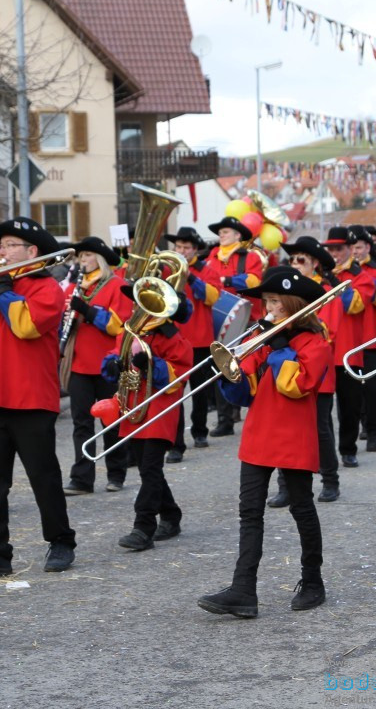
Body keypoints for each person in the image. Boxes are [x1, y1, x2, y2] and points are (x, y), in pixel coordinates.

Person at [197, 266, 333, 618]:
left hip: (293, 435)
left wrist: (280, 348)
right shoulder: (264, 336)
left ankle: (313, 580)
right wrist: (231, 373)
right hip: (259, 433)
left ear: (294, 304)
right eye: (267, 302)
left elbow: (297, 385)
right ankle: (243, 590)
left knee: (302, 509)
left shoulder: (315, 344)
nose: (269, 308)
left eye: (276, 302)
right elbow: (246, 389)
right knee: (249, 513)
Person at [0, 217, 76, 578]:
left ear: (31, 251)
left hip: (31, 397)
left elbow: (26, 327)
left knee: (43, 476)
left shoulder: (45, 288)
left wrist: (4, 291)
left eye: (8, 246)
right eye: (1, 246)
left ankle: (61, 540)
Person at [99, 284, 193, 551]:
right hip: (133, 408)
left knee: (150, 468)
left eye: (144, 305)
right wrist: (112, 364)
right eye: (137, 304)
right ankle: (171, 515)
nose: (136, 309)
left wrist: (152, 364)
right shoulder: (129, 332)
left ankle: (143, 527)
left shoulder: (172, 337)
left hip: (159, 410)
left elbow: (179, 376)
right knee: (147, 469)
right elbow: (113, 356)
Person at [269, 235, 342, 505]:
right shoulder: (285, 295)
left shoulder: (326, 293)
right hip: (285, 367)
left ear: (315, 265)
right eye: (292, 260)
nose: (295, 264)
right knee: (283, 428)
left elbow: (327, 332)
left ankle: (330, 480)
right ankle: (285, 486)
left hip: (315, 371)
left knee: (320, 429)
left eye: (301, 260)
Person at [63, 236, 133, 495]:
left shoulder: (117, 285)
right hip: (79, 363)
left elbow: (118, 325)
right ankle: (82, 478)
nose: (83, 260)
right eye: (80, 256)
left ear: (100, 259)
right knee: (81, 423)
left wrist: (88, 311)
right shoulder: (75, 287)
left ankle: (116, 473)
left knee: (112, 421)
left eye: (88, 255)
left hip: (108, 363)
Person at [166, 227, 222, 463]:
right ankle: (176, 445)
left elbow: (211, 297)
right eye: (178, 247)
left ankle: (200, 431)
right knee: (175, 393)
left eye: (186, 248)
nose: (181, 251)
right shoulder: (167, 270)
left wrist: (190, 276)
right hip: (175, 339)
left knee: (199, 391)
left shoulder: (206, 270)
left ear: (195, 249)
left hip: (200, 340)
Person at [204, 216, 264, 437]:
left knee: (249, 366)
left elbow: (254, 281)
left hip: (246, 319)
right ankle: (225, 419)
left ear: (238, 235)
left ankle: (254, 412)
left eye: (226, 231)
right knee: (222, 366)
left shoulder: (248, 256)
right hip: (218, 319)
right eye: (220, 232)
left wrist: (225, 281)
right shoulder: (212, 256)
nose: (221, 235)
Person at [322, 227, 376, 467]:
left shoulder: (361, 276)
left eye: (339, 249)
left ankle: (348, 449)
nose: (335, 253)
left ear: (348, 250)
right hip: (322, 351)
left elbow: (354, 305)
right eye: (331, 249)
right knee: (322, 410)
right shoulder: (318, 274)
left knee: (350, 407)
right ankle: (325, 453)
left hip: (348, 351)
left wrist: (336, 283)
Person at [350, 227, 376, 452]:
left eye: (358, 247)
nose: (355, 252)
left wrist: (360, 274)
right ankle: (362, 425)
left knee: (372, 388)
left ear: (367, 247)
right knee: (353, 389)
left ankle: (373, 430)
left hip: (371, 338)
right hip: (350, 340)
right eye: (352, 248)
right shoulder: (344, 271)